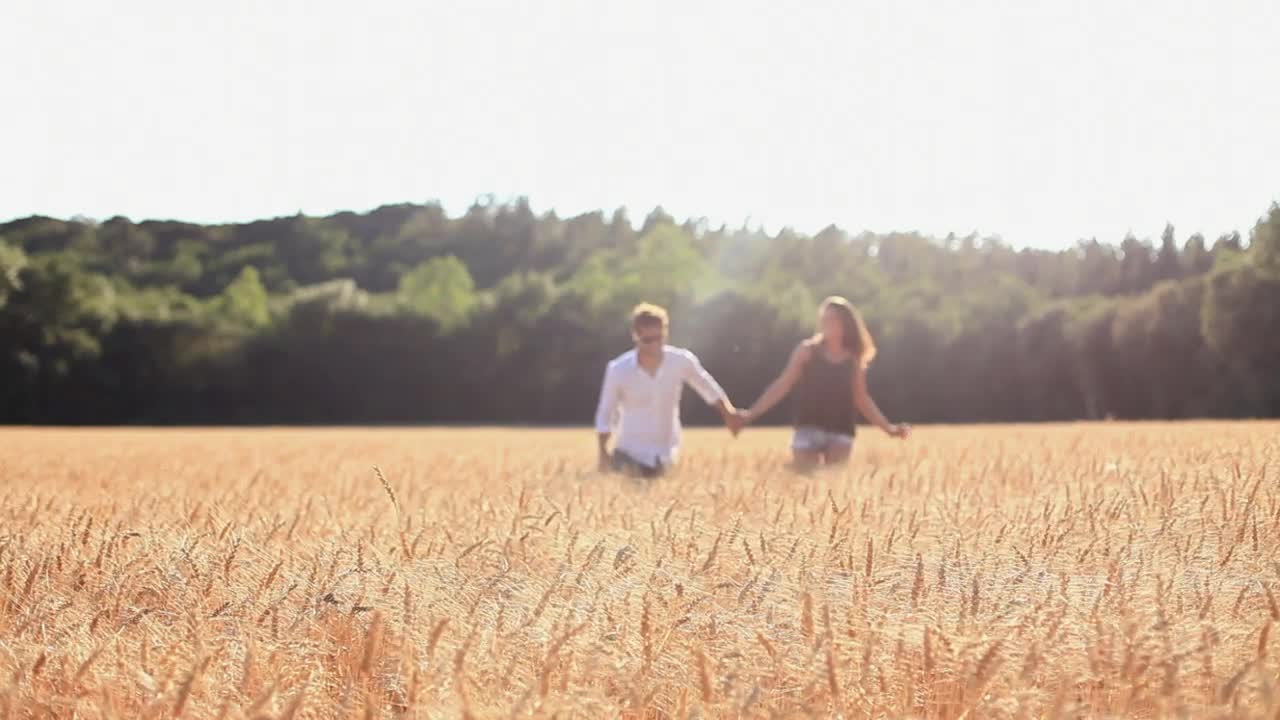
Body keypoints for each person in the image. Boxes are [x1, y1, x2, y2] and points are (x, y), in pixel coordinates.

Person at [735, 296, 909, 471]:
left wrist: (889, 429)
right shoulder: (807, 351)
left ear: (845, 324)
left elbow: (861, 399)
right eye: (824, 319)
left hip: (841, 432)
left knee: (834, 488)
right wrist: (750, 414)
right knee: (802, 485)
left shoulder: (853, 360)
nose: (827, 323)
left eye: (832, 319)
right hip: (808, 429)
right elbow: (782, 385)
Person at [594, 302, 739, 479]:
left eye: (659, 338)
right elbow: (605, 414)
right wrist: (602, 453)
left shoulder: (681, 361)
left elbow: (707, 388)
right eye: (648, 340)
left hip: (666, 454)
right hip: (628, 453)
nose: (655, 344)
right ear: (636, 336)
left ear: (665, 333)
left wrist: (729, 414)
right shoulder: (618, 369)